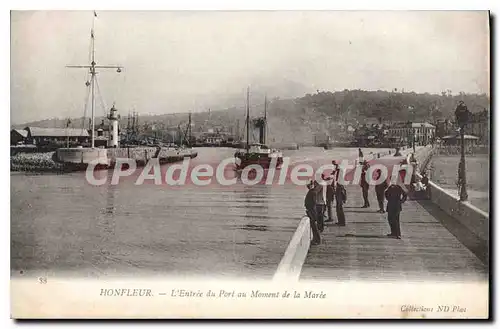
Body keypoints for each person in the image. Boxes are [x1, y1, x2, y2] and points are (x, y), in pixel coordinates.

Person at [305, 180, 321, 245]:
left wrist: (309, 208)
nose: (308, 186)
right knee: (314, 226)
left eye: (309, 185)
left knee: (314, 227)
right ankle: (316, 239)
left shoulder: (312, 192)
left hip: (312, 211)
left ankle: (317, 240)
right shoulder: (312, 192)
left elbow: (313, 202)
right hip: (311, 210)